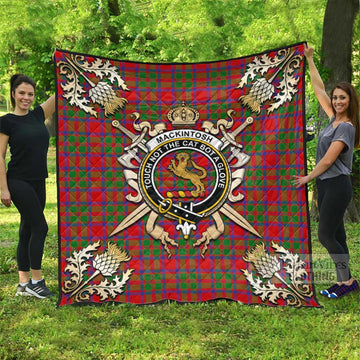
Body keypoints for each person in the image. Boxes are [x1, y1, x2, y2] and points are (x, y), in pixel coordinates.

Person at [294, 45, 359, 298]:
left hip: (336, 185)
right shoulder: (333, 118)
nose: (337, 101)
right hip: (326, 185)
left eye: (342, 98)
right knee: (338, 236)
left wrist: (308, 177)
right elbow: (319, 89)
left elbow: (329, 159)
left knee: (325, 235)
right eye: (336, 98)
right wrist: (310, 59)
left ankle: (347, 281)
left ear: (350, 100)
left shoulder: (347, 127)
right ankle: (346, 283)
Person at [0, 74, 55, 298]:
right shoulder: (6, 121)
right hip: (17, 181)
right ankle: (37, 281)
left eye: (30, 94)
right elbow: (0, 156)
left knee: (27, 229)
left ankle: (23, 284)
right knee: (41, 227)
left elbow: (60, 93)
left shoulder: (38, 115)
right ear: (13, 94)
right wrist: (3, 189)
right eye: (21, 93)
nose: (26, 97)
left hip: (38, 180)